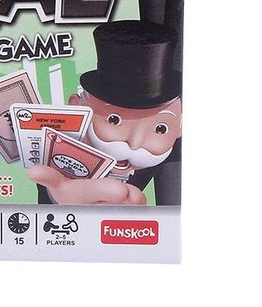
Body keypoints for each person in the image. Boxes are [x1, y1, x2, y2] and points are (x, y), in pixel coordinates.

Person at [28, 20, 182, 206]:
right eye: (114, 120)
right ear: (77, 109)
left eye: (160, 129)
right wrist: (59, 197)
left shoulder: (178, 155)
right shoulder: (57, 146)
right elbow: (48, 183)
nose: (134, 144)